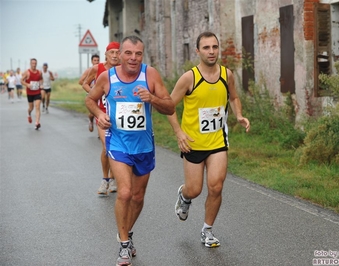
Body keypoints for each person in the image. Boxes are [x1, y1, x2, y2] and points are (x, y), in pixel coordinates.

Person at [86, 35, 175, 266]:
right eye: (128, 53)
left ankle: (127, 233)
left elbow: (170, 106)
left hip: (144, 146)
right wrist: (100, 115)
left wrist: (152, 98)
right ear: (120, 54)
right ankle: (124, 245)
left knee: (137, 196)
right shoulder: (108, 77)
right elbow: (90, 99)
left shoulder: (150, 75)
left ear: (142, 55)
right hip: (118, 143)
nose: (133, 58)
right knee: (124, 193)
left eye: (138, 54)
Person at [167, 31, 250, 248]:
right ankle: (184, 197)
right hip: (193, 144)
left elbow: (234, 97)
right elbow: (168, 106)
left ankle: (207, 230)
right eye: (206, 47)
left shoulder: (227, 75)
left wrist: (239, 115)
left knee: (216, 186)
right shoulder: (189, 78)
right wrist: (179, 132)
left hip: (217, 142)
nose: (211, 51)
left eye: (214, 47)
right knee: (195, 189)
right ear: (198, 51)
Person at [82, 43, 120, 195]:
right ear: (106, 54)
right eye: (112, 52)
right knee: (107, 146)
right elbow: (84, 83)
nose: (115, 55)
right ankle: (105, 180)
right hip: (102, 113)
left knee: (116, 148)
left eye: (118, 52)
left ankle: (113, 178)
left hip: (119, 115)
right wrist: (95, 93)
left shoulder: (124, 70)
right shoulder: (97, 69)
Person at [79, 54, 100, 132]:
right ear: (92, 61)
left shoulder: (101, 69)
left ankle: (100, 131)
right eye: (95, 60)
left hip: (100, 94)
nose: (96, 62)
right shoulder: (89, 70)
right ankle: (91, 120)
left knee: (100, 111)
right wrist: (91, 86)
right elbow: (81, 81)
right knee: (92, 114)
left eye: (98, 60)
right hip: (91, 93)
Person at [21, 58, 43, 130]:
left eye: (35, 63)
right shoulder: (27, 72)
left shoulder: (39, 72)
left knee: (37, 106)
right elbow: (21, 80)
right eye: (33, 63)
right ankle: (29, 114)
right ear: (30, 64)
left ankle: (37, 123)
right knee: (31, 108)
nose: (34, 65)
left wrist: (41, 84)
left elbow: (41, 79)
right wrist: (27, 84)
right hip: (30, 92)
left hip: (37, 91)